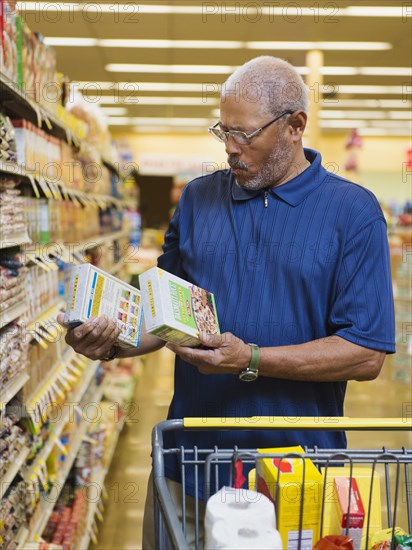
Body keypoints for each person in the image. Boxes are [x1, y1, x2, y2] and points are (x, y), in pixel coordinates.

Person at [58, 56, 395, 548]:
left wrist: (251, 360)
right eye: (224, 133)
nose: (232, 150)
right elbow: (165, 315)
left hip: (296, 478)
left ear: (294, 126)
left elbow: (366, 354)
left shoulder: (352, 213)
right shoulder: (197, 200)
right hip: (190, 467)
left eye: (246, 135)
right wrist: (110, 343)